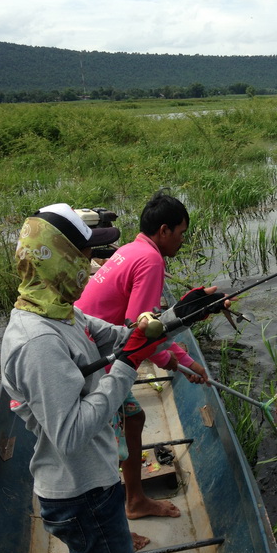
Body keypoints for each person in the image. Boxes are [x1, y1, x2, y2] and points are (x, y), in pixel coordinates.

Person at [0, 203, 226, 553]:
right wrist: (125, 367)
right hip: (81, 494)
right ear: (58, 258)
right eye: (83, 257)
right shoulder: (37, 343)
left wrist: (181, 314)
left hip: (87, 484)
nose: (91, 266)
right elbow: (69, 434)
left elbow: (125, 335)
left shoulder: (60, 312)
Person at [75, 191, 209, 525]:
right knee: (108, 437)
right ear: (164, 230)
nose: (181, 240)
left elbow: (145, 328)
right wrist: (181, 363)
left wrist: (180, 360)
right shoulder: (150, 261)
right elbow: (142, 332)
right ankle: (121, 511)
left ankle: (133, 498)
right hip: (92, 362)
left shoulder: (130, 250)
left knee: (133, 419)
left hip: (86, 346)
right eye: (180, 233)